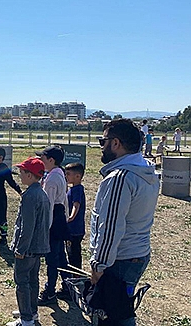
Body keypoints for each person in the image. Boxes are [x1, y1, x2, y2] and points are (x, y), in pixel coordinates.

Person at [90, 118, 159, 325]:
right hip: (137, 254)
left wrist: (99, 265)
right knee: (122, 309)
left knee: (113, 317)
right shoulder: (146, 170)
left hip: (119, 260)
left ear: (116, 143)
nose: (101, 147)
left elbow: (111, 228)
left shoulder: (120, 177)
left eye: (103, 142)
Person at [6, 157, 50, 326]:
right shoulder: (41, 193)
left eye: (22, 172)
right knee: (33, 280)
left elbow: (27, 225)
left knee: (22, 282)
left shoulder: (30, 196)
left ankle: (26, 319)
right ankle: (32, 312)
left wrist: (20, 248)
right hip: (39, 246)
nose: (20, 175)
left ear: (30, 175)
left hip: (28, 248)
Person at [35, 145, 71, 305]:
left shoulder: (52, 178)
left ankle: (50, 291)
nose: (41, 161)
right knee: (61, 256)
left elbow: (48, 204)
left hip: (53, 220)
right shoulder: (59, 174)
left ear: (51, 160)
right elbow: (64, 200)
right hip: (59, 217)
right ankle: (68, 286)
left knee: (52, 259)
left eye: (43, 158)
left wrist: (45, 227)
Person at [64, 162, 86, 271]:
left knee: (74, 255)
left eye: (68, 174)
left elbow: (76, 205)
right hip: (72, 229)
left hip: (75, 229)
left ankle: (76, 276)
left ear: (77, 176)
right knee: (71, 254)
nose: (66, 176)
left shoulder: (77, 189)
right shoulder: (72, 189)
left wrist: (70, 217)